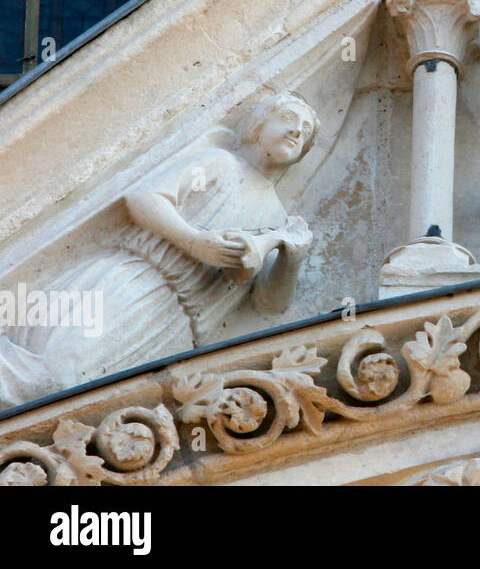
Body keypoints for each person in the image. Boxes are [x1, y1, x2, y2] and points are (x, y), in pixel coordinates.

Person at [0, 92, 317, 408]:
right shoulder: (220, 163)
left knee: (76, 405)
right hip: (133, 282)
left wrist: (292, 257)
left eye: (305, 130)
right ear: (258, 126)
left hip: (172, 328)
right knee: (51, 378)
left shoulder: (277, 218)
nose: (296, 131)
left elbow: (268, 302)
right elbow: (144, 197)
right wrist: (194, 241)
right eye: (287, 118)